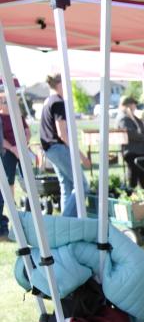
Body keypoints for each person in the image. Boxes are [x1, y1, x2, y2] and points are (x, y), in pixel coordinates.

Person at [39, 73, 90, 217]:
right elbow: (63, 134)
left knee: (66, 186)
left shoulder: (49, 100)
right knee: (82, 186)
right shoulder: (58, 102)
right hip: (58, 147)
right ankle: (66, 220)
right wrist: (82, 156)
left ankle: (65, 222)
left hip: (50, 149)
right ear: (61, 84)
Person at [0, 93, 32, 239]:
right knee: (8, 184)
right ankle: (11, 218)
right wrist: (13, 149)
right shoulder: (1, 118)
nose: (5, 103)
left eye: (7, 100)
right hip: (7, 153)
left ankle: (30, 213)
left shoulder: (17, 116)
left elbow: (27, 131)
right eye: (3, 101)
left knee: (30, 182)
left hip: (21, 151)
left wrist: (23, 144)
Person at [116, 96, 144, 191]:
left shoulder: (132, 117)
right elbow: (130, 133)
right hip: (132, 151)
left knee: (142, 176)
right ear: (127, 105)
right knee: (133, 177)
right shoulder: (123, 118)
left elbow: (141, 128)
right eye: (133, 104)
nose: (135, 106)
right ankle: (130, 196)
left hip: (139, 151)